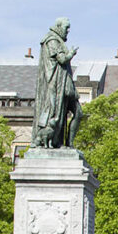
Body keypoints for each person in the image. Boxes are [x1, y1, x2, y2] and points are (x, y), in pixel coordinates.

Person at [32, 17, 80, 148]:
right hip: (57, 83)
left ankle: (68, 144)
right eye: (66, 28)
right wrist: (71, 53)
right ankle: (55, 141)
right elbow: (62, 59)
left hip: (65, 82)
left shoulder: (57, 40)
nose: (68, 31)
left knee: (77, 113)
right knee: (57, 112)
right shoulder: (52, 40)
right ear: (59, 26)